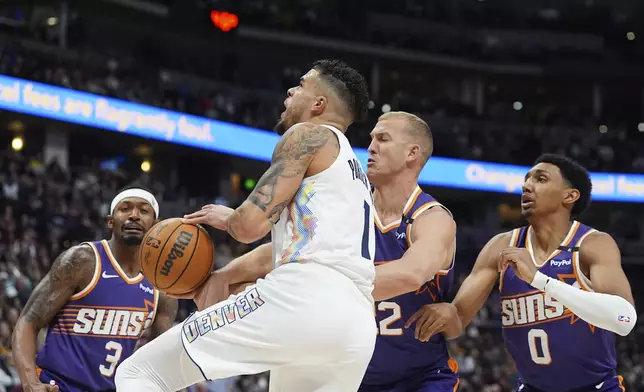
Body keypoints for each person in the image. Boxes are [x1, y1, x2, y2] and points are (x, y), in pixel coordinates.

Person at [115, 59, 377, 392]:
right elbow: (288, 245)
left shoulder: (308, 135)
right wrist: (227, 277)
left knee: (139, 374)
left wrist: (230, 217)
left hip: (305, 298)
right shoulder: (355, 175)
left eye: (301, 84)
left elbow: (250, 226)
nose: (290, 90)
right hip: (358, 325)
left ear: (319, 104)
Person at [411, 154, 637, 392]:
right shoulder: (501, 246)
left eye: (540, 179)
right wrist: (445, 313)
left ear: (569, 196)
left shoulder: (592, 245)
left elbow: (624, 321)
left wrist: (540, 280)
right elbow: (457, 322)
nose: (527, 185)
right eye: (527, 179)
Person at [12, 186, 178, 392]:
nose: (134, 215)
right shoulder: (83, 260)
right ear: (111, 221)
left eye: (143, 211)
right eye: (125, 209)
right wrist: (30, 382)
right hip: (58, 386)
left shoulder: (162, 287)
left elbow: (165, 355)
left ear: (156, 224)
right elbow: (27, 323)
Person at [357, 112, 459, 392]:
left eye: (383, 139)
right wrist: (228, 273)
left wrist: (323, 282)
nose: (371, 147)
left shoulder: (431, 218)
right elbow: (291, 250)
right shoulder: (352, 208)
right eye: (371, 139)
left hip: (420, 379)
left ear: (412, 153)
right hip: (352, 376)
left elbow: (412, 274)